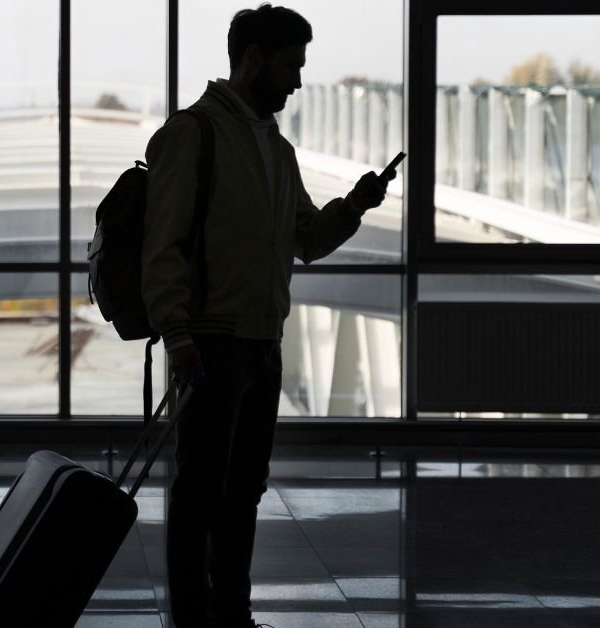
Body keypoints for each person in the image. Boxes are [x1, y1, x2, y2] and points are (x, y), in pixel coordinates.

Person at [141, 5, 390, 627]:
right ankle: (197, 617)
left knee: (243, 489)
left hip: (261, 343)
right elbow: (162, 245)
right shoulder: (192, 134)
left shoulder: (276, 149)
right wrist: (177, 333)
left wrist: (355, 205)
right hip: (212, 342)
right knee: (202, 492)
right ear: (252, 58)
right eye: (290, 66)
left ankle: (230, 613)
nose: (298, 82)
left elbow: (304, 238)